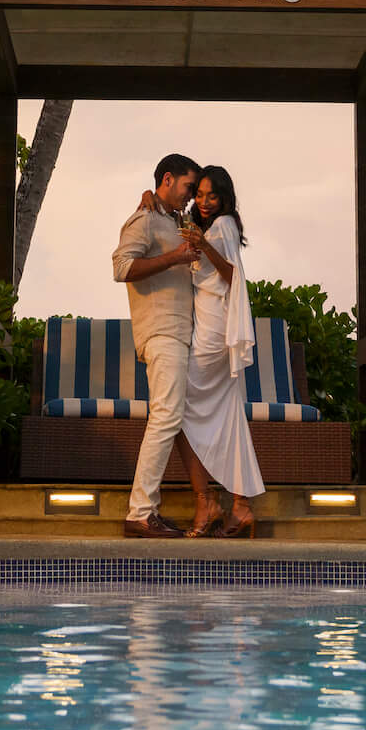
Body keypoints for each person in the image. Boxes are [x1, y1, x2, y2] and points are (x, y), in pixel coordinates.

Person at [111, 152, 214, 538]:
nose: (192, 195)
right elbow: (121, 267)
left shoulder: (176, 220)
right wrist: (175, 257)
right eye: (189, 187)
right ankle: (140, 512)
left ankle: (181, 505)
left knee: (177, 416)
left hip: (185, 335)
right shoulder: (144, 219)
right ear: (167, 180)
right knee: (167, 416)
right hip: (161, 332)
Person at [178, 165, 262, 537]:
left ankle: (206, 500)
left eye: (212, 195)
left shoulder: (223, 226)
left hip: (213, 333)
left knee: (177, 409)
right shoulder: (208, 227)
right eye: (200, 194)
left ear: (224, 198)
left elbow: (232, 275)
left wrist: (203, 245)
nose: (205, 202)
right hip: (211, 326)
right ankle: (240, 507)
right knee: (230, 418)